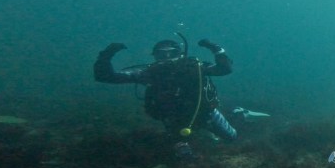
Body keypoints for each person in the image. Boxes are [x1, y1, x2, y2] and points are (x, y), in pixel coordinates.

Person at [94, 37, 239, 147]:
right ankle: (201, 136)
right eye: (162, 55)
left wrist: (216, 48)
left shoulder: (195, 68)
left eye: (173, 53)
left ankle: (238, 114)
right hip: (172, 120)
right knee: (180, 152)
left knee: (232, 137)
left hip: (206, 113)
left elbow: (224, 69)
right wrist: (106, 55)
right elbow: (105, 76)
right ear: (155, 57)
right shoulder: (150, 73)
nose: (168, 58)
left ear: (181, 54)